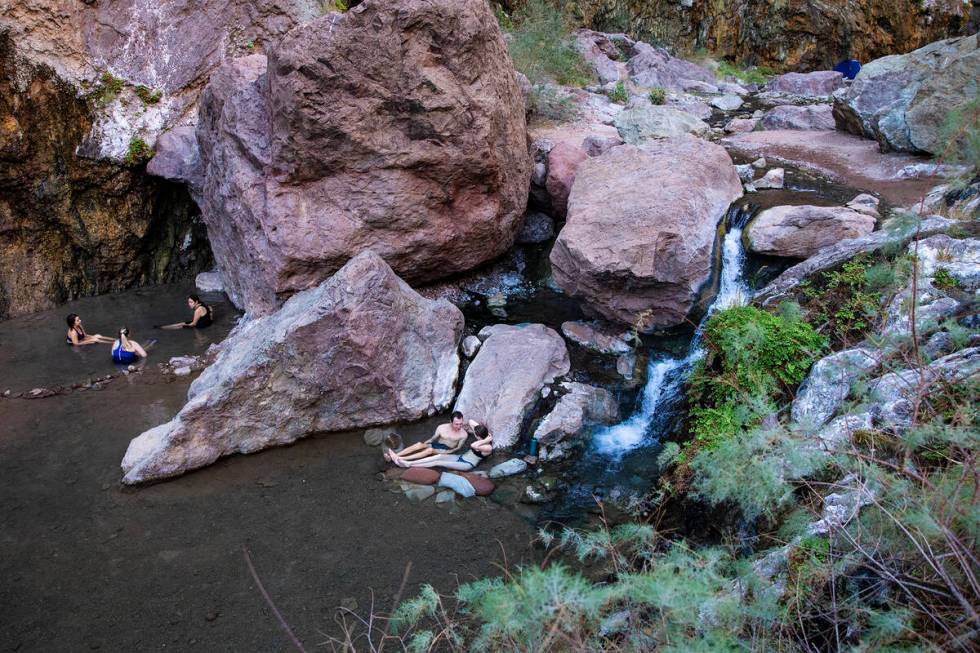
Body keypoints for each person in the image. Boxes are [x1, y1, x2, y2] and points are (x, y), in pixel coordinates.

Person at [387, 423, 493, 472]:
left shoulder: (488, 447)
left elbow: (473, 445)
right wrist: (485, 434)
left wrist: (486, 440)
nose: (475, 435)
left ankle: (409, 464)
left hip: (466, 464)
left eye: (476, 435)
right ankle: (403, 460)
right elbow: (471, 421)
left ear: (480, 437)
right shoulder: (481, 439)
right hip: (460, 457)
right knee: (438, 456)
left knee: (438, 462)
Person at [395, 411, 469, 461]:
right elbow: (433, 438)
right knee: (419, 444)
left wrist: (447, 453)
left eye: (461, 423)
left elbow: (458, 448)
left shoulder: (464, 434)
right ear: (451, 422)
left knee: (429, 450)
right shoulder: (441, 427)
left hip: (446, 450)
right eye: (456, 424)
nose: (459, 426)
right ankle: (396, 455)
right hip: (437, 445)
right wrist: (425, 444)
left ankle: (402, 459)